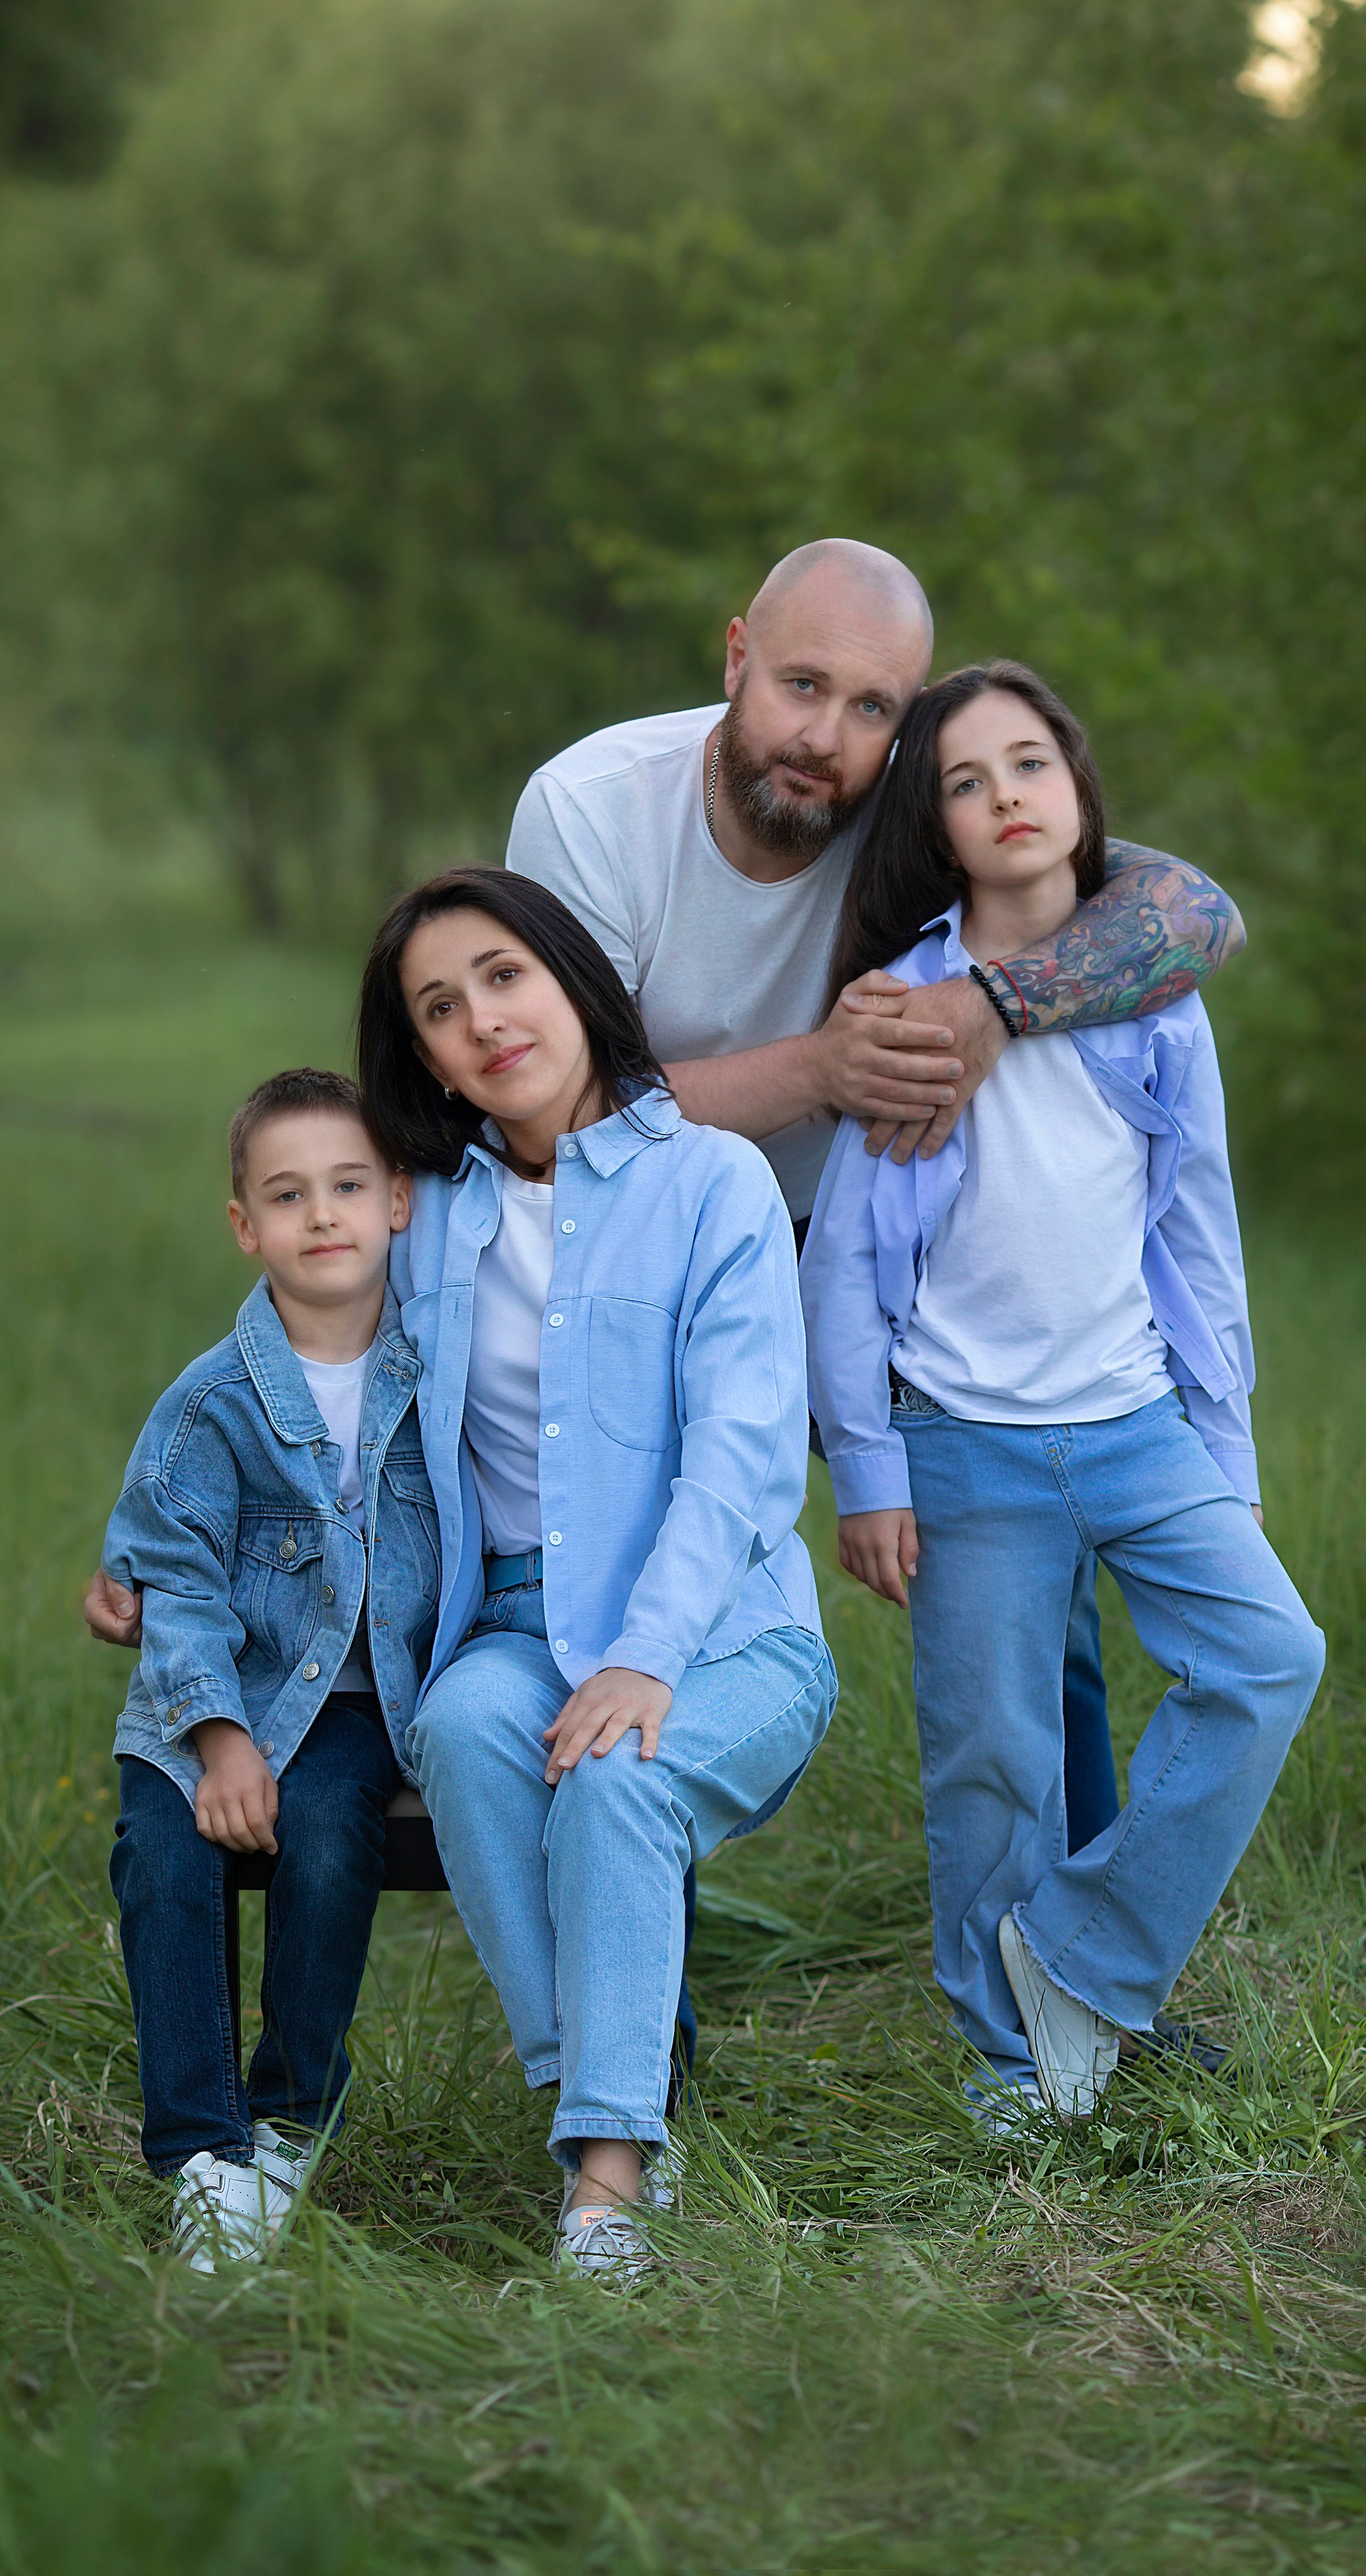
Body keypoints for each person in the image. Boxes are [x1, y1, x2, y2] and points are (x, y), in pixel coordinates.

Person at [507, 536, 1246, 1897]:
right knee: (628, 1568)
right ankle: (630, 1970)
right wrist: (819, 1071)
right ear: (735, 657)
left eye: (874, 712)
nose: (827, 741)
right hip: (645, 1250)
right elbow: (554, 1117)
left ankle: (1063, 1974)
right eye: (800, 685)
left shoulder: (914, 805)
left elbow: (1189, 912)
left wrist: (994, 1001)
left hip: (884, 1245)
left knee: (1036, 1593)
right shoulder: (593, 811)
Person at [800, 663, 1325, 2125]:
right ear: (939, 825)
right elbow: (841, 1260)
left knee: (1269, 1656)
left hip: (1137, 1420)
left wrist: (1222, 1438)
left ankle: (1078, 1957)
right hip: (961, 1443)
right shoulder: (900, 1003)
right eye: (964, 783)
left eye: (1026, 763)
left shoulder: (1144, 991)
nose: (1003, 797)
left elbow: (1194, 1227)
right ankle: (1006, 2062)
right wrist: (867, 1471)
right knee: (992, 1759)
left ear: (1076, 787)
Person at [360, 865, 836, 2283]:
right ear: (423, 1055)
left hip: (723, 1631)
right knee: (460, 1725)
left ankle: (605, 2197)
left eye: (502, 975)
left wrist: (643, 1658)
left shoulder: (710, 1181)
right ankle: (614, 2114)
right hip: (507, 1620)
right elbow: (301, 1364)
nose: (483, 1022)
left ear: (568, 976)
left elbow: (748, 1456)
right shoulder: (426, 1212)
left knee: (617, 1774)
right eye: (439, 1008)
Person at [101, 1069, 437, 2266]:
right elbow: (171, 1574)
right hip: (205, 1706)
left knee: (334, 1841)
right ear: (247, 1225)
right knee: (166, 1858)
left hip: (357, 1707)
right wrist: (222, 1739)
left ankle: (291, 2120)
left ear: (399, 1199)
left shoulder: (436, 1372)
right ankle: (202, 2152)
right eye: (288, 1196)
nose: (324, 1215)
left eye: (349, 1185)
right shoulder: (211, 1405)